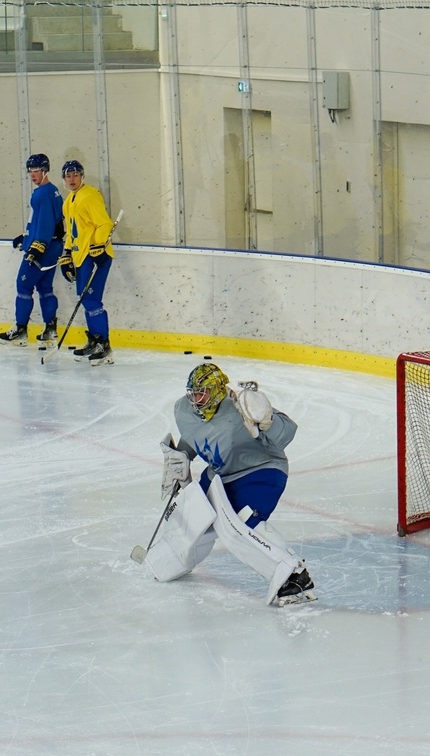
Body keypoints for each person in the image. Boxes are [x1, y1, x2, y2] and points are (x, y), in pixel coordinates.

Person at [144, 362, 315, 604]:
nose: (196, 400)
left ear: (216, 391)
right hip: (221, 474)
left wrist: (268, 420)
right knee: (192, 510)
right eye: (193, 393)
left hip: (260, 471)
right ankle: (172, 559)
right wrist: (182, 456)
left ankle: (294, 575)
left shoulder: (239, 407)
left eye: (202, 394)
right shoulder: (184, 409)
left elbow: (286, 433)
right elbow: (196, 432)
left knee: (241, 522)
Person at [0, 154, 64, 347]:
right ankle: (50, 331)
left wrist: (37, 245)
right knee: (45, 288)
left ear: (45, 171)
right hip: (54, 247)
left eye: (37, 171)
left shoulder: (42, 194)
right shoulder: (53, 191)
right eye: (30, 171)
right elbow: (47, 222)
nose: (33, 175)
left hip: (43, 248)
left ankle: (20, 330)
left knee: (23, 285)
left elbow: (45, 224)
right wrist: (26, 236)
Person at [60, 159, 115, 366]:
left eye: (75, 175)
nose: (72, 179)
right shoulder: (68, 201)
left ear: (82, 176)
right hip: (80, 256)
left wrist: (98, 246)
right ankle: (94, 340)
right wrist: (67, 254)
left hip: (96, 256)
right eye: (68, 176)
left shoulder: (90, 195)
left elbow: (104, 223)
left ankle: (104, 345)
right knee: (85, 299)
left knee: (92, 300)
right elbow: (71, 232)